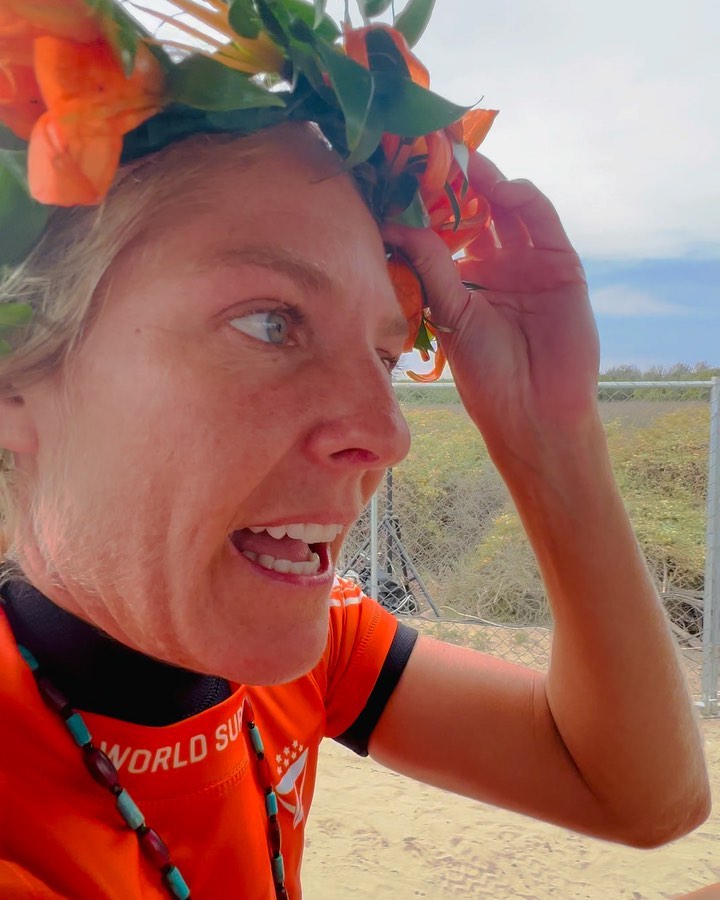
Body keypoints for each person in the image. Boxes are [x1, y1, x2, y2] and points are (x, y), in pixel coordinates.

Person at [0, 2, 710, 898]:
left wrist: (548, 434)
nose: (389, 435)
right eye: (270, 323)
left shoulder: (313, 645)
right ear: (16, 388)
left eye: (384, 354)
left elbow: (643, 798)